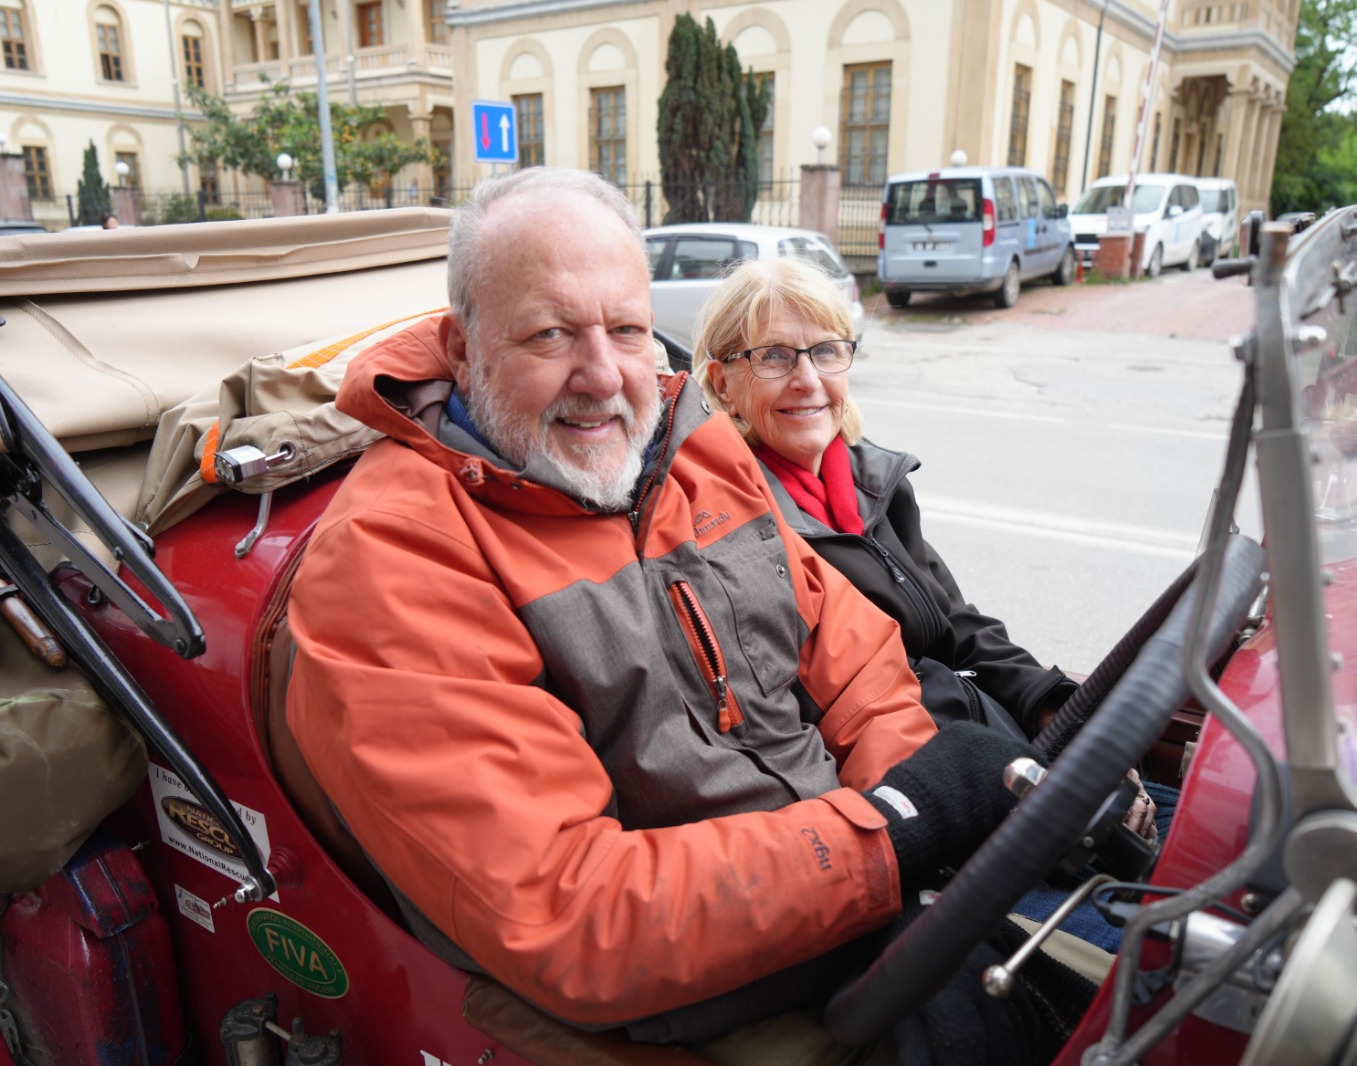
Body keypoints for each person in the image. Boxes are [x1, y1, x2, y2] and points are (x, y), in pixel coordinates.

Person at [286, 167, 1071, 1064]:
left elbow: (851, 654)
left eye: (625, 329)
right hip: (693, 997)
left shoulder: (688, 443)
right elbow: (571, 913)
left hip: (859, 898)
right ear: (463, 351)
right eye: (550, 334)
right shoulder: (395, 555)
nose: (604, 376)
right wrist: (896, 827)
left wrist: (921, 832)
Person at [690, 254, 1158, 843]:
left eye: (827, 351)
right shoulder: (736, 527)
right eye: (775, 357)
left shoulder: (872, 482)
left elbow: (957, 623)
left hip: (983, 730)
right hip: (919, 779)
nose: (808, 379)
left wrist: (1059, 711)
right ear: (723, 382)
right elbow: (815, 716)